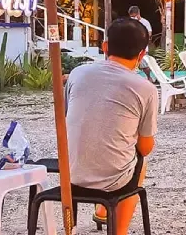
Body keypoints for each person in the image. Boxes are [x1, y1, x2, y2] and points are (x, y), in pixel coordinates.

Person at [65, 18, 158, 234]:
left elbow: (70, 120)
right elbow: (145, 147)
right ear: (141, 54)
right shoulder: (145, 88)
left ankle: (102, 210)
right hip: (115, 182)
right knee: (139, 162)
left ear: (105, 47)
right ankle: (119, 230)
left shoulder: (78, 73)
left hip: (70, 175)